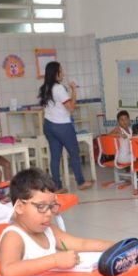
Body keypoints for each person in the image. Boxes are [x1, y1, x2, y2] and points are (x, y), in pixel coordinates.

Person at [0, 168, 111, 276]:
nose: (49, 213)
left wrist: (118, 246)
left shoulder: (49, 230)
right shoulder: (14, 236)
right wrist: (55, 261)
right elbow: (8, 272)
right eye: (41, 207)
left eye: (51, 206)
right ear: (19, 207)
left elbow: (82, 244)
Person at [38, 61, 93, 192]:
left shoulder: (44, 88)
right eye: (61, 71)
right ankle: (81, 182)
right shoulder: (58, 88)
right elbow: (71, 108)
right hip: (61, 125)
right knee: (74, 152)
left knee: (55, 156)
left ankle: (56, 186)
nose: (62, 74)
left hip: (48, 125)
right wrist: (74, 90)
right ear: (55, 74)